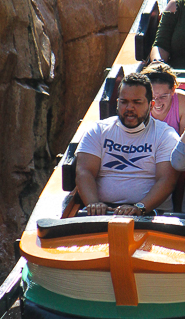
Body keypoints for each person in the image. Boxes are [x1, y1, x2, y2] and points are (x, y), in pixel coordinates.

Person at [76, 72, 178, 216]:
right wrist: (94, 204)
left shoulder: (165, 135)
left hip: (151, 215)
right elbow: (84, 172)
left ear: (151, 104)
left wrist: (140, 208)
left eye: (137, 102)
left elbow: (167, 180)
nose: (129, 108)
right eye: (124, 102)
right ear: (117, 102)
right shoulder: (98, 130)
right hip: (104, 213)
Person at [141, 61, 185, 134]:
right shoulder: (136, 104)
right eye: (151, 97)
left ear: (173, 90)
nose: (156, 103)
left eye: (163, 96)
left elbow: (184, 143)